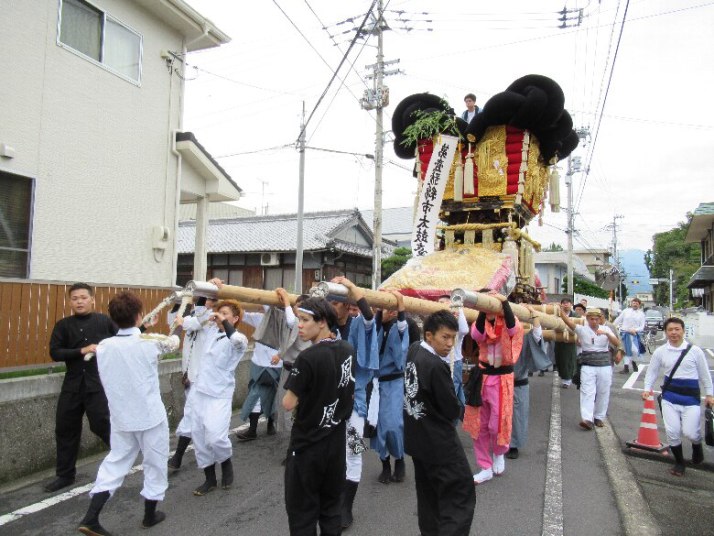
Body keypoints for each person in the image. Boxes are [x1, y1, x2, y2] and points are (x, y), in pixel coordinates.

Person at [78, 291, 179, 535]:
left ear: (112, 318)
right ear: (139, 315)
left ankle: (91, 517)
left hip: (121, 418)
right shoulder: (150, 342)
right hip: (150, 417)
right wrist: (178, 324)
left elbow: (130, 340)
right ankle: (149, 515)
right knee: (155, 464)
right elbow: (173, 342)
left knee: (115, 463)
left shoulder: (104, 346)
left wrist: (142, 326)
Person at [283, 297, 355, 536]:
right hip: (336, 442)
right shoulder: (347, 349)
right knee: (331, 510)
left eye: (305, 320)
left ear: (322, 321)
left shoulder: (307, 357)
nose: (300, 325)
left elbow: (288, 403)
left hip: (308, 445)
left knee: (302, 514)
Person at [404, 310, 476, 535]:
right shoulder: (435, 365)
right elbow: (451, 409)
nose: (450, 344)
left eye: (453, 338)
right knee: (459, 493)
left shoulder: (414, 350)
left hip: (417, 438)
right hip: (438, 443)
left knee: (428, 495)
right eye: (445, 337)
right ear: (429, 335)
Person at [46, 283, 117, 493]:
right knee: (65, 428)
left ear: (92, 299)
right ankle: (65, 475)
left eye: (83, 297)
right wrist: (81, 351)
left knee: (102, 424)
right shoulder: (63, 325)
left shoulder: (104, 321)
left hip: (98, 385)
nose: (79, 301)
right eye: (75, 298)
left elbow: (124, 341)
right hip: (72, 386)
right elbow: (55, 352)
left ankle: (123, 457)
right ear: (70, 301)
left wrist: (142, 328)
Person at [176, 297, 248, 496]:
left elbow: (237, 341)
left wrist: (222, 321)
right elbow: (199, 314)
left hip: (219, 394)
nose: (220, 317)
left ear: (235, 319)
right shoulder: (209, 331)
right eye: (220, 313)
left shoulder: (238, 340)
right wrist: (205, 294)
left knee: (215, 437)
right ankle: (209, 478)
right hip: (199, 391)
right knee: (199, 437)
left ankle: (225, 462)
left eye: (226, 314)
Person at [328, 276, 378, 529]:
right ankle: (333, 501)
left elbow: (369, 316)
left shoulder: (357, 325)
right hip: (329, 399)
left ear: (348, 305)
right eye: (330, 303)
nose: (332, 307)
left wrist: (351, 287)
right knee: (332, 453)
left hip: (355, 399)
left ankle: (346, 507)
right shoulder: (325, 327)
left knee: (354, 450)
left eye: (337, 303)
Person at [465, 290, 524, 484]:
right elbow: (477, 335)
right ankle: (485, 467)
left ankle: (499, 452)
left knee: (497, 423)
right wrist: (483, 311)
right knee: (479, 424)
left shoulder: (510, 322)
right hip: (482, 376)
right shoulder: (480, 322)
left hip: (502, 378)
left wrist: (504, 304)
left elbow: (514, 330)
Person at [642, 317, 714, 477]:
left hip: (691, 399)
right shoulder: (661, 352)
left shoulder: (695, 351)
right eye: (670, 330)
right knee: (672, 432)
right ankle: (680, 462)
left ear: (683, 331)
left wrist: (710, 394)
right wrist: (647, 388)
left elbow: (705, 374)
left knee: (691, 432)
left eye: (677, 329)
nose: (674, 333)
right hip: (670, 397)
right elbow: (652, 371)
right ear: (665, 332)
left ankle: (697, 446)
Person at [166, 289, 218, 471]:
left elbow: (195, 322)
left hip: (204, 377)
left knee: (191, 414)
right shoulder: (193, 316)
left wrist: (202, 292)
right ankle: (209, 449)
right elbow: (173, 321)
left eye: (210, 299)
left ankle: (178, 456)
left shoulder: (212, 319)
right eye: (205, 299)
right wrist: (179, 301)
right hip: (190, 376)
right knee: (198, 416)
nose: (206, 303)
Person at [236, 288, 294, 441]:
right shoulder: (260, 318)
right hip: (258, 363)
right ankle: (253, 429)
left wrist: (280, 354)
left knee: (274, 396)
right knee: (255, 395)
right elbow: (243, 314)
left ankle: (270, 425)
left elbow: (289, 340)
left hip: (278, 364)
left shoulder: (288, 321)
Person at [371, 290, 409, 484]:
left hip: (394, 383)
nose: (389, 311)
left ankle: (399, 458)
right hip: (376, 384)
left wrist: (401, 307)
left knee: (393, 424)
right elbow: (370, 343)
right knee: (378, 426)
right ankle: (385, 463)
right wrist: (379, 313)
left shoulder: (399, 328)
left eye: (391, 308)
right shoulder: (374, 326)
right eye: (385, 308)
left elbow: (403, 331)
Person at [559, 307, 619, 430]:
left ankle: (599, 417)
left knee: (603, 391)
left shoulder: (606, 329)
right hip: (588, 365)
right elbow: (568, 322)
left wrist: (607, 334)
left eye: (596, 319)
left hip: (604, 365)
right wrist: (560, 311)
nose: (594, 321)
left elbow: (617, 343)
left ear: (600, 319)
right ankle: (587, 419)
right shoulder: (582, 330)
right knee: (587, 391)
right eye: (591, 319)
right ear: (587, 319)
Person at [507, 306, 551, 459]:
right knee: (498, 415)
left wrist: (534, 316)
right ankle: (500, 442)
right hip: (500, 381)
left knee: (517, 416)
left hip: (518, 382)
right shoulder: (499, 332)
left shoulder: (525, 336)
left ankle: (513, 445)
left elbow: (537, 336)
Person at [273, 294, 312, 436]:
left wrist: (285, 300)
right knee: (284, 404)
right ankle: (292, 435)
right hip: (288, 367)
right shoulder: (297, 322)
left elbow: (291, 321)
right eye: (296, 306)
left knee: (292, 405)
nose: (296, 308)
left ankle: (295, 435)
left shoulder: (301, 323)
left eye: (299, 306)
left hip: (300, 370)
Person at [437, 296, 469, 413]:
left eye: (444, 302)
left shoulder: (455, 321)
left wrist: (458, 308)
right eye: (439, 303)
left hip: (453, 363)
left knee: (452, 394)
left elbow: (464, 330)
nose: (442, 305)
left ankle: (450, 418)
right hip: (439, 362)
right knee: (447, 394)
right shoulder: (438, 323)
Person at [614, 297, 646, 374]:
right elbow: (618, 320)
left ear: (639, 305)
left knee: (634, 350)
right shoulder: (626, 311)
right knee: (625, 350)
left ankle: (634, 362)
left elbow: (642, 326)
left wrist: (635, 330)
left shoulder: (641, 314)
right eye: (633, 303)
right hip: (625, 334)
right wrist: (612, 326)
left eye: (636, 303)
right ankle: (626, 367)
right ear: (631, 304)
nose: (635, 304)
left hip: (634, 335)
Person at [554, 298, 579, 388]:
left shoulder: (575, 315)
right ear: (561, 305)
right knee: (559, 359)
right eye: (564, 303)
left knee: (569, 359)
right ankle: (564, 377)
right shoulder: (557, 314)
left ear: (571, 304)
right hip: (559, 340)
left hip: (570, 341)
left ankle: (567, 380)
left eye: (567, 303)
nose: (566, 304)